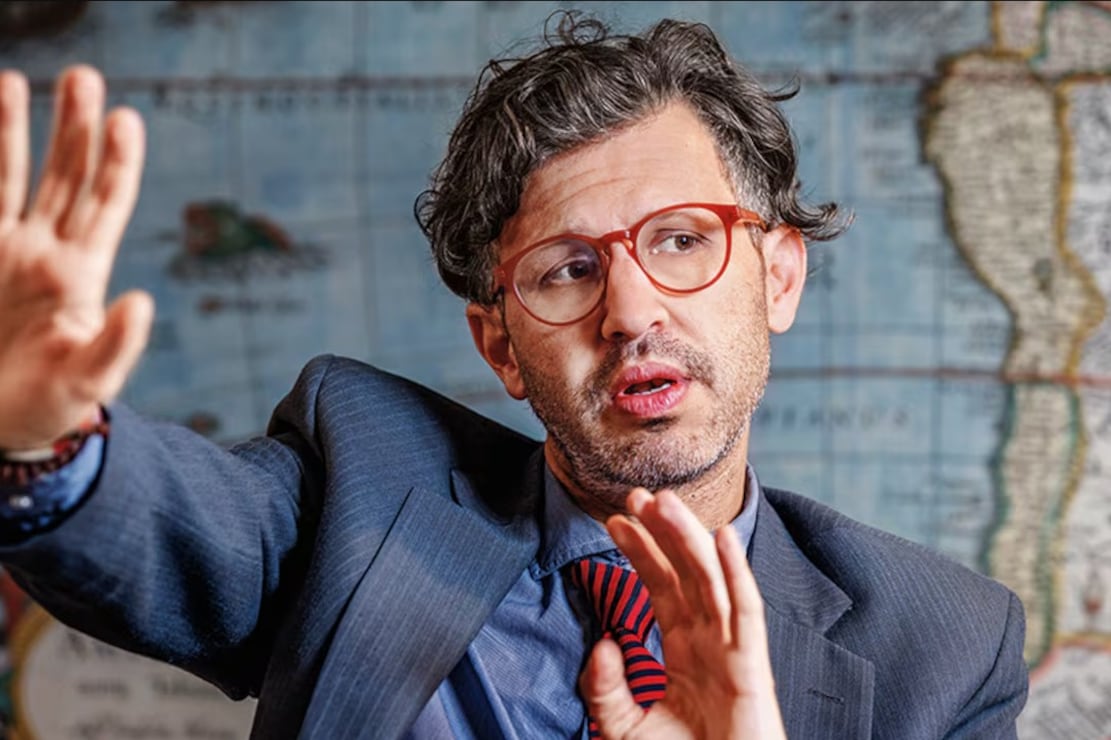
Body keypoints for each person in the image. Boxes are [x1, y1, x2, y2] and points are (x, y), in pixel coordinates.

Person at [0, 13, 1027, 740]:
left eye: (680, 240)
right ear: (499, 347)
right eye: (567, 269)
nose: (630, 311)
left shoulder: (944, 650)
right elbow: (179, 523)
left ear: (779, 276)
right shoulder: (364, 482)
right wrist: (40, 438)